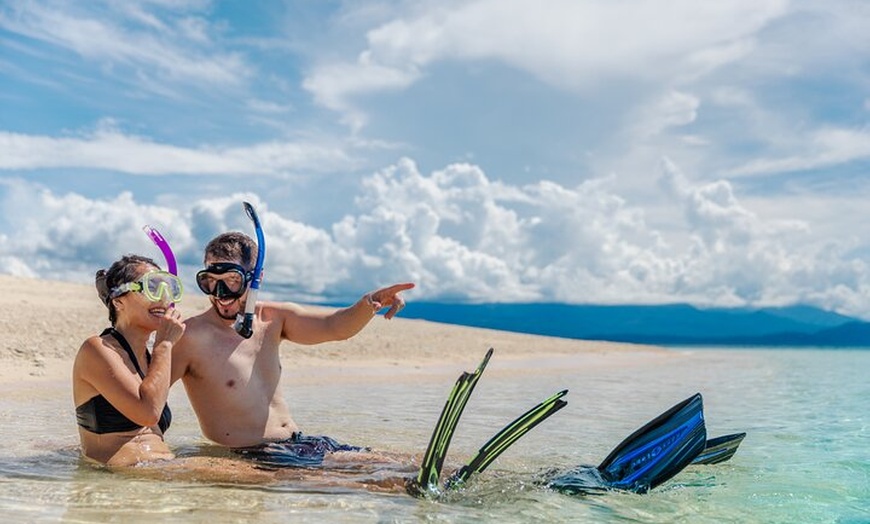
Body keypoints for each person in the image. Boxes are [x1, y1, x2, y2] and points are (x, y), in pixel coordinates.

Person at [171, 231, 415, 469]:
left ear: (257, 277)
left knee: (399, 463)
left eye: (232, 281)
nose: (220, 295)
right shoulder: (190, 336)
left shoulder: (274, 320)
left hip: (300, 443)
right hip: (256, 456)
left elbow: (333, 326)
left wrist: (369, 303)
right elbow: (149, 399)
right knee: (378, 480)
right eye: (211, 282)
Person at [73, 254, 185, 466]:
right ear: (118, 301)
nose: (162, 297)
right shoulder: (97, 349)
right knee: (255, 476)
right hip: (126, 478)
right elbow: (148, 414)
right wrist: (164, 344)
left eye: (168, 288)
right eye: (152, 287)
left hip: (154, 473)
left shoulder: (150, 359)